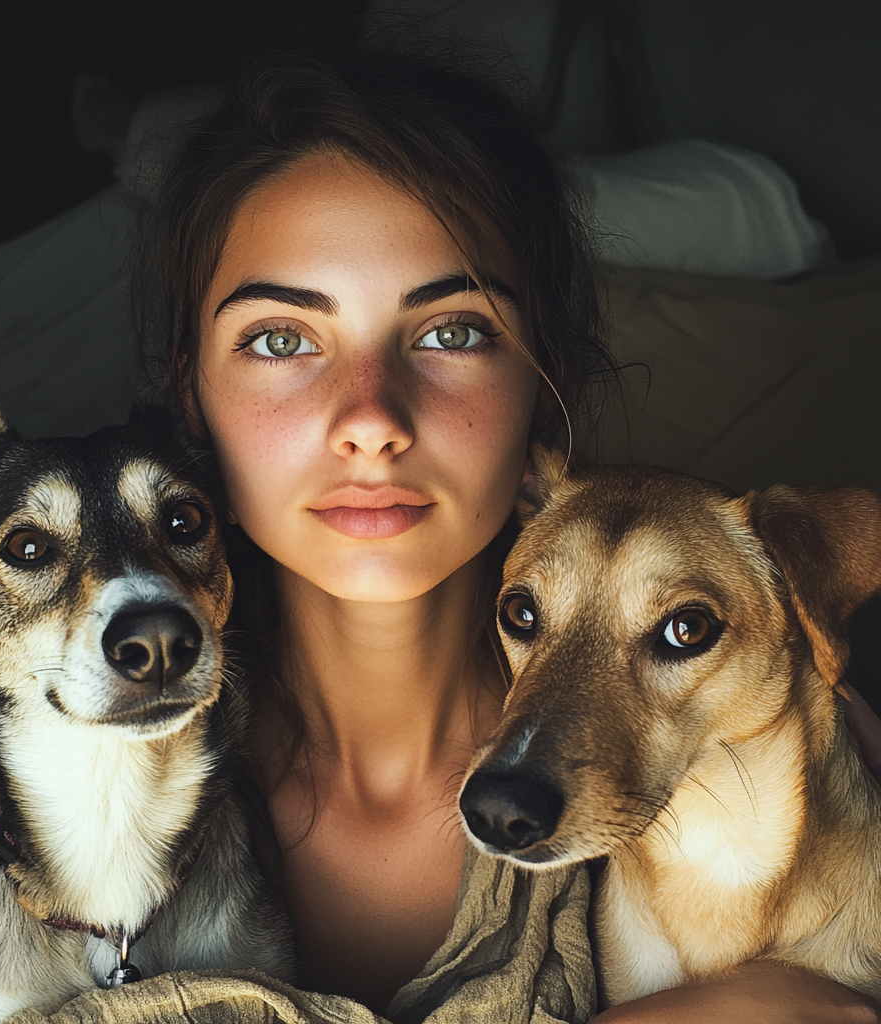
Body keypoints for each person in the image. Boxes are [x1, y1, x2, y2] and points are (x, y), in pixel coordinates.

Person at [133, 52, 881, 1022]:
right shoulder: (12, 783)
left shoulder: (791, 741)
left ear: (542, 380)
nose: (369, 418)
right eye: (281, 338)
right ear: (191, 398)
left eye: (450, 330)